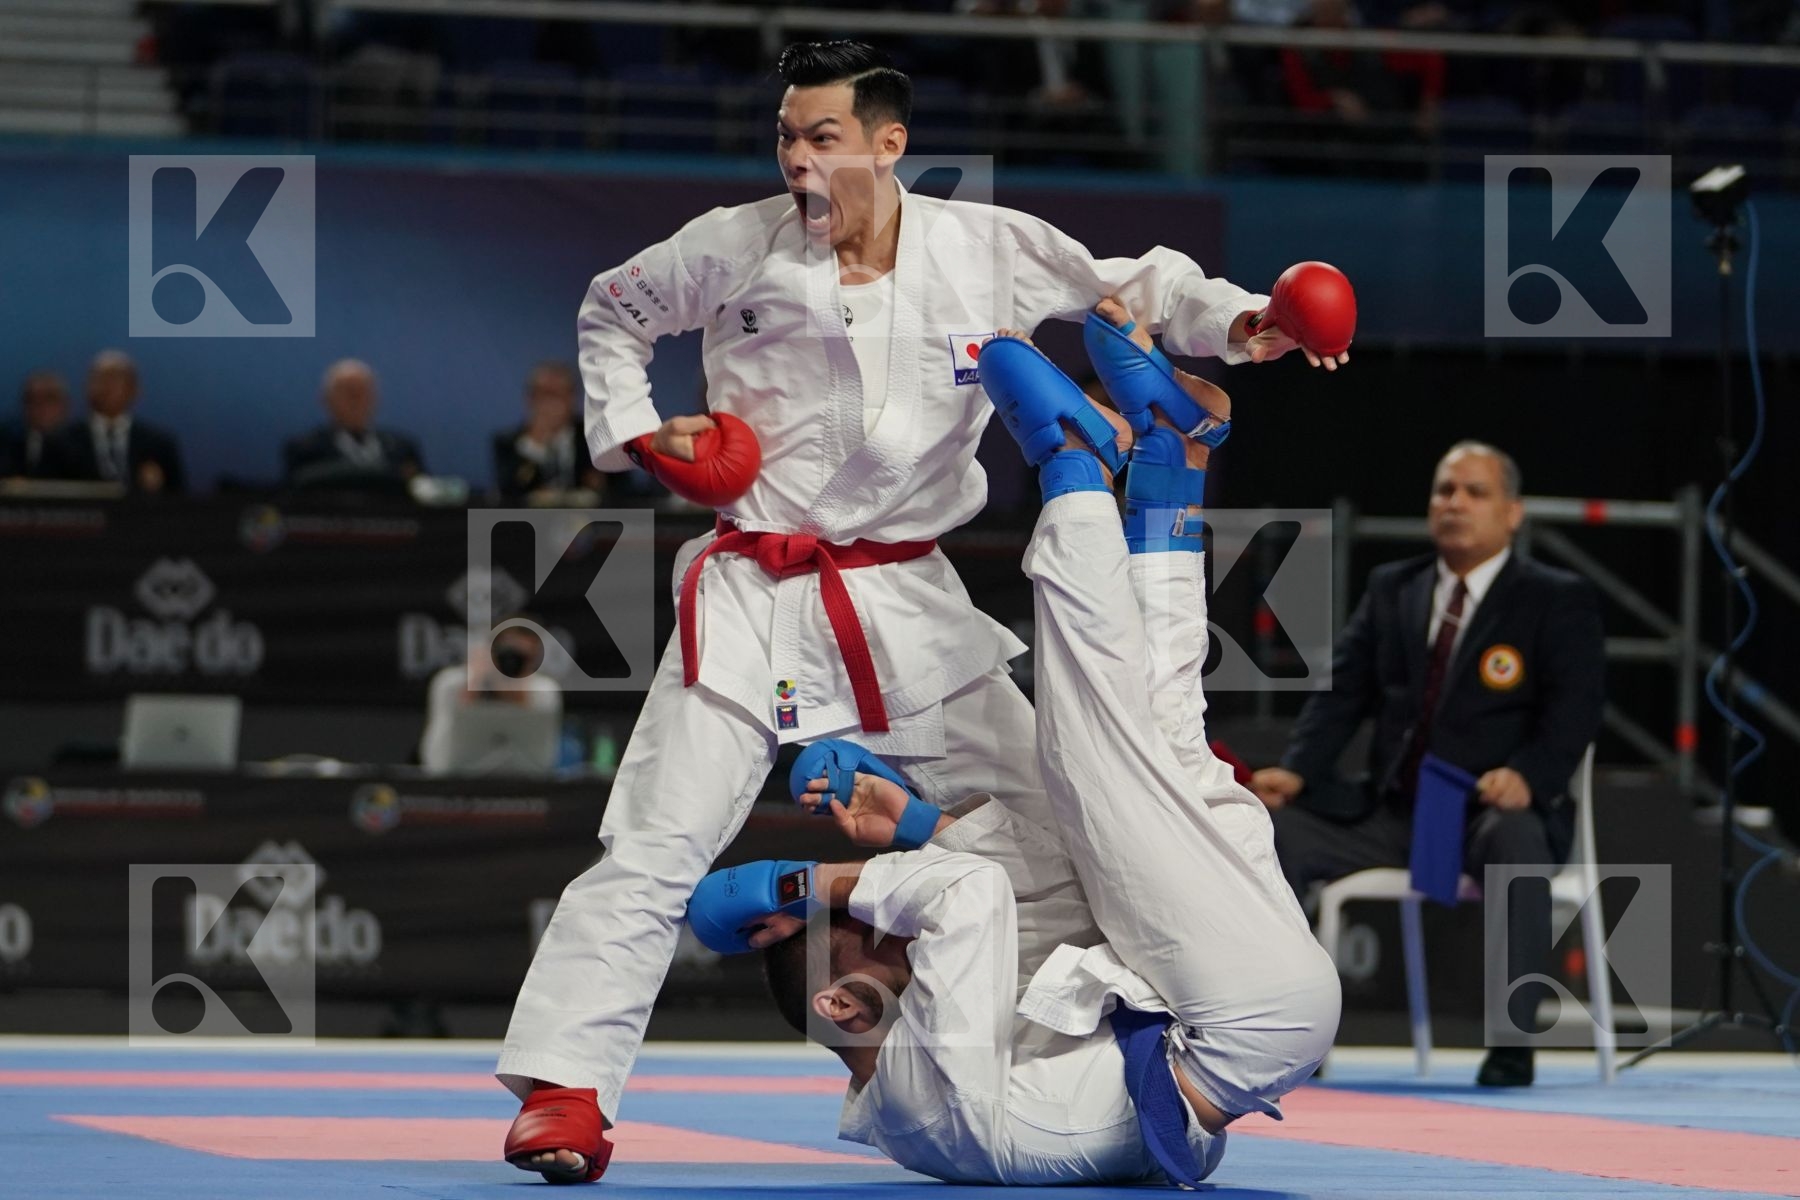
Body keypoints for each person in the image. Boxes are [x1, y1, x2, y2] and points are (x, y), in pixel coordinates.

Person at [496, 39, 1343, 1183]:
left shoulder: (980, 248)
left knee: (1075, 816)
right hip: (756, 584)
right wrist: (640, 432)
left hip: (906, 595)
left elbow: (1127, 284)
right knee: (658, 836)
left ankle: (1075, 1042)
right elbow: (611, 312)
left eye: (823, 138)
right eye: (787, 136)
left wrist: (1250, 319)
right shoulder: (728, 248)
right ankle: (566, 1090)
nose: (798, 159)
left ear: (890, 146)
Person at [678, 306, 1339, 1185]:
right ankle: (1070, 462)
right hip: (1239, 1015)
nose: (890, 919)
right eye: (872, 928)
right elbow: (975, 898)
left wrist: (924, 826)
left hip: (1230, 1012)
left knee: (1157, 735)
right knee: (1096, 745)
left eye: (872, 920)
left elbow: (1052, 898)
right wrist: (813, 885)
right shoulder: (921, 1092)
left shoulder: (953, 1078)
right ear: (841, 1005)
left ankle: (1172, 470)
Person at [1249, 441, 1604, 1087]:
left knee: (1517, 842)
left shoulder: (1555, 599)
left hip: (1487, 816)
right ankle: (1287, 1035)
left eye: (1475, 492)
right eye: (1445, 491)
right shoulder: (1396, 588)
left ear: (1513, 513)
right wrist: (1299, 770)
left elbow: (1575, 711)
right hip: (1396, 814)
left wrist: (1528, 774)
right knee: (1271, 831)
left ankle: (1512, 1045)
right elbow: (1343, 692)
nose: (1455, 504)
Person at [418, 619, 562, 775]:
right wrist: (477, 681)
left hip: (522, 783)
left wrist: (511, 686)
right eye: (507, 654)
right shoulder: (450, 683)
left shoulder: (544, 689)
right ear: (490, 651)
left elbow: (543, 759)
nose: (512, 662)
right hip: (456, 780)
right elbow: (437, 759)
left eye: (523, 657)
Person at [48, 351, 186, 494]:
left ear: (134, 390)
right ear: (87, 387)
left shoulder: (159, 444)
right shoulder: (60, 441)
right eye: (99, 379)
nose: (106, 387)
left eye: (115, 379)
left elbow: (180, 501)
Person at [283, 359, 426, 489]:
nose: (356, 400)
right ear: (326, 399)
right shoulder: (304, 448)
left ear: (375, 399)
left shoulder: (401, 448)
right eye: (349, 392)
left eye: (363, 392)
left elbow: (423, 492)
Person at [492, 362, 603, 500]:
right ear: (530, 399)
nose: (552, 403)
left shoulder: (596, 437)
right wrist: (536, 442)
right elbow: (508, 494)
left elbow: (616, 490)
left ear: (573, 398)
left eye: (559, 394)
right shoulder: (507, 443)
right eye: (545, 394)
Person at [1, 370, 71, 480]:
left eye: (49, 398)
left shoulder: (82, 445)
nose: (41, 406)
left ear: (65, 404)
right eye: (32, 399)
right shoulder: (8, 444)